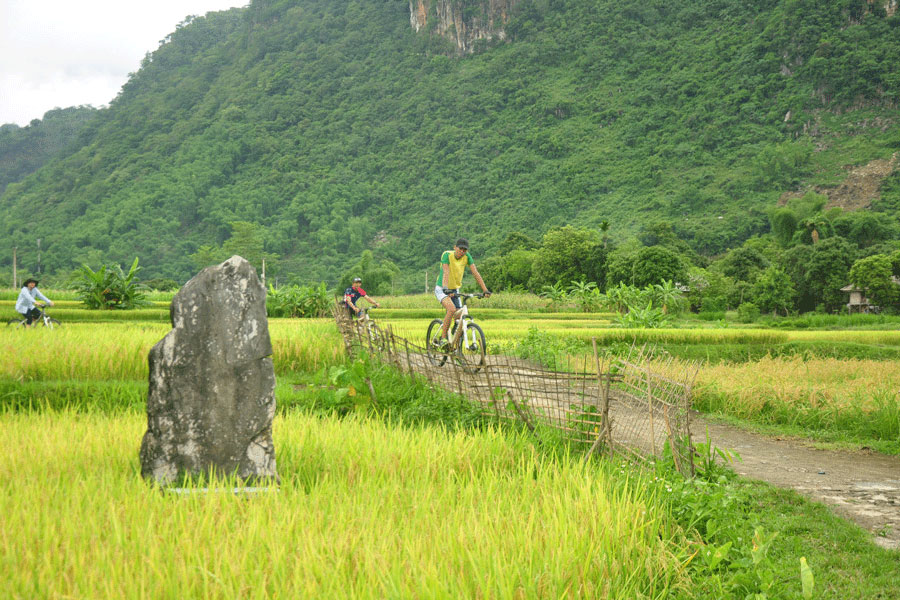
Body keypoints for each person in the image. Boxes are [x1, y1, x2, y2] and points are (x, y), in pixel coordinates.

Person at [433, 238, 490, 349]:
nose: (462, 252)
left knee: (460, 318)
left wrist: (485, 290)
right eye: (461, 249)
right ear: (455, 247)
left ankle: (456, 348)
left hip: (455, 290)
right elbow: (446, 272)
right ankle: (443, 338)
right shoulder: (447, 255)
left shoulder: (467, 257)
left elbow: (475, 273)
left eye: (465, 250)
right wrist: (445, 289)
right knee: (451, 309)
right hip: (442, 288)